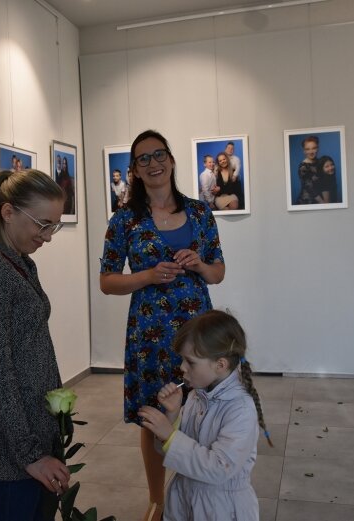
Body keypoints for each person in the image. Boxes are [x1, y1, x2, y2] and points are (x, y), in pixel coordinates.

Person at [100, 129, 225, 521]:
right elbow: (107, 281)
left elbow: (218, 271)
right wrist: (148, 276)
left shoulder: (200, 212)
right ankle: (157, 500)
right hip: (150, 333)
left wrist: (200, 265)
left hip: (198, 330)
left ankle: (198, 492)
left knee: (201, 409)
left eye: (159, 155)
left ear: (171, 160)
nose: (153, 163)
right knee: (154, 415)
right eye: (143, 159)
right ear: (134, 170)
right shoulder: (125, 220)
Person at [0, 169, 68, 521]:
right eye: (42, 224)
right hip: (12, 449)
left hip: (35, 431)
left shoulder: (21, 263)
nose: (48, 236)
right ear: (7, 212)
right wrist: (30, 455)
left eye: (54, 225)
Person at [137, 310, 271, 521]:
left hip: (221, 509)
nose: (182, 368)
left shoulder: (242, 408)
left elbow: (218, 469)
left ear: (220, 365)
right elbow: (168, 453)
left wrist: (170, 437)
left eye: (190, 362)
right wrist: (171, 416)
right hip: (184, 501)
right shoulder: (196, 395)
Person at [295, 136, 320, 204]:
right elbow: (310, 189)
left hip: (319, 202)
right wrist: (324, 203)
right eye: (307, 149)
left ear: (318, 148)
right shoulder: (303, 167)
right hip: (306, 202)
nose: (311, 152)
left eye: (314, 148)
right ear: (304, 151)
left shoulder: (321, 162)